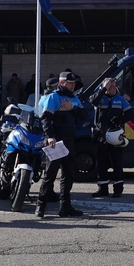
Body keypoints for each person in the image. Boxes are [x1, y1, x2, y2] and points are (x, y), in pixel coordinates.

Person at [36, 70, 85, 218]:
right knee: (50, 175)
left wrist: (72, 108)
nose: (73, 85)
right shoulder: (53, 97)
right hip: (55, 141)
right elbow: (45, 119)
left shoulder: (74, 98)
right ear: (62, 83)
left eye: (74, 83)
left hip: (69, 141)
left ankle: (65, 207)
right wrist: (50, 137)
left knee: (69, 174)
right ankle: (41, 206)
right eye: (70, 83)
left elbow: (84, 115)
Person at [90, 77, 131, 198]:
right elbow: (93, 101)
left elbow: (130, 113)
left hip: (115, 134)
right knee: (102, 163)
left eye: (114, 86)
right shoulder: (99, 97)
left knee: (117, 162)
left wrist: (120, 119)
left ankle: (118, 189)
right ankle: (102, 189)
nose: (113, 88)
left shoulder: (120, 99)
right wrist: (103, 88)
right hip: (101, 135)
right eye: (110, 86)